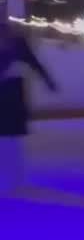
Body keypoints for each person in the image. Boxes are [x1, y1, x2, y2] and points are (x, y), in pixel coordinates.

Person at [0, 17, 57, 192]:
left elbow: (34, 63)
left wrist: (48, 81)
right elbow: (34, 63)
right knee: (8, 141)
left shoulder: (17, 44)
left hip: (11, 95)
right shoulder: (17, 44)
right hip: (10, 94)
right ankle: (12, 177)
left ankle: (12, 178)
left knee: (10, 140)